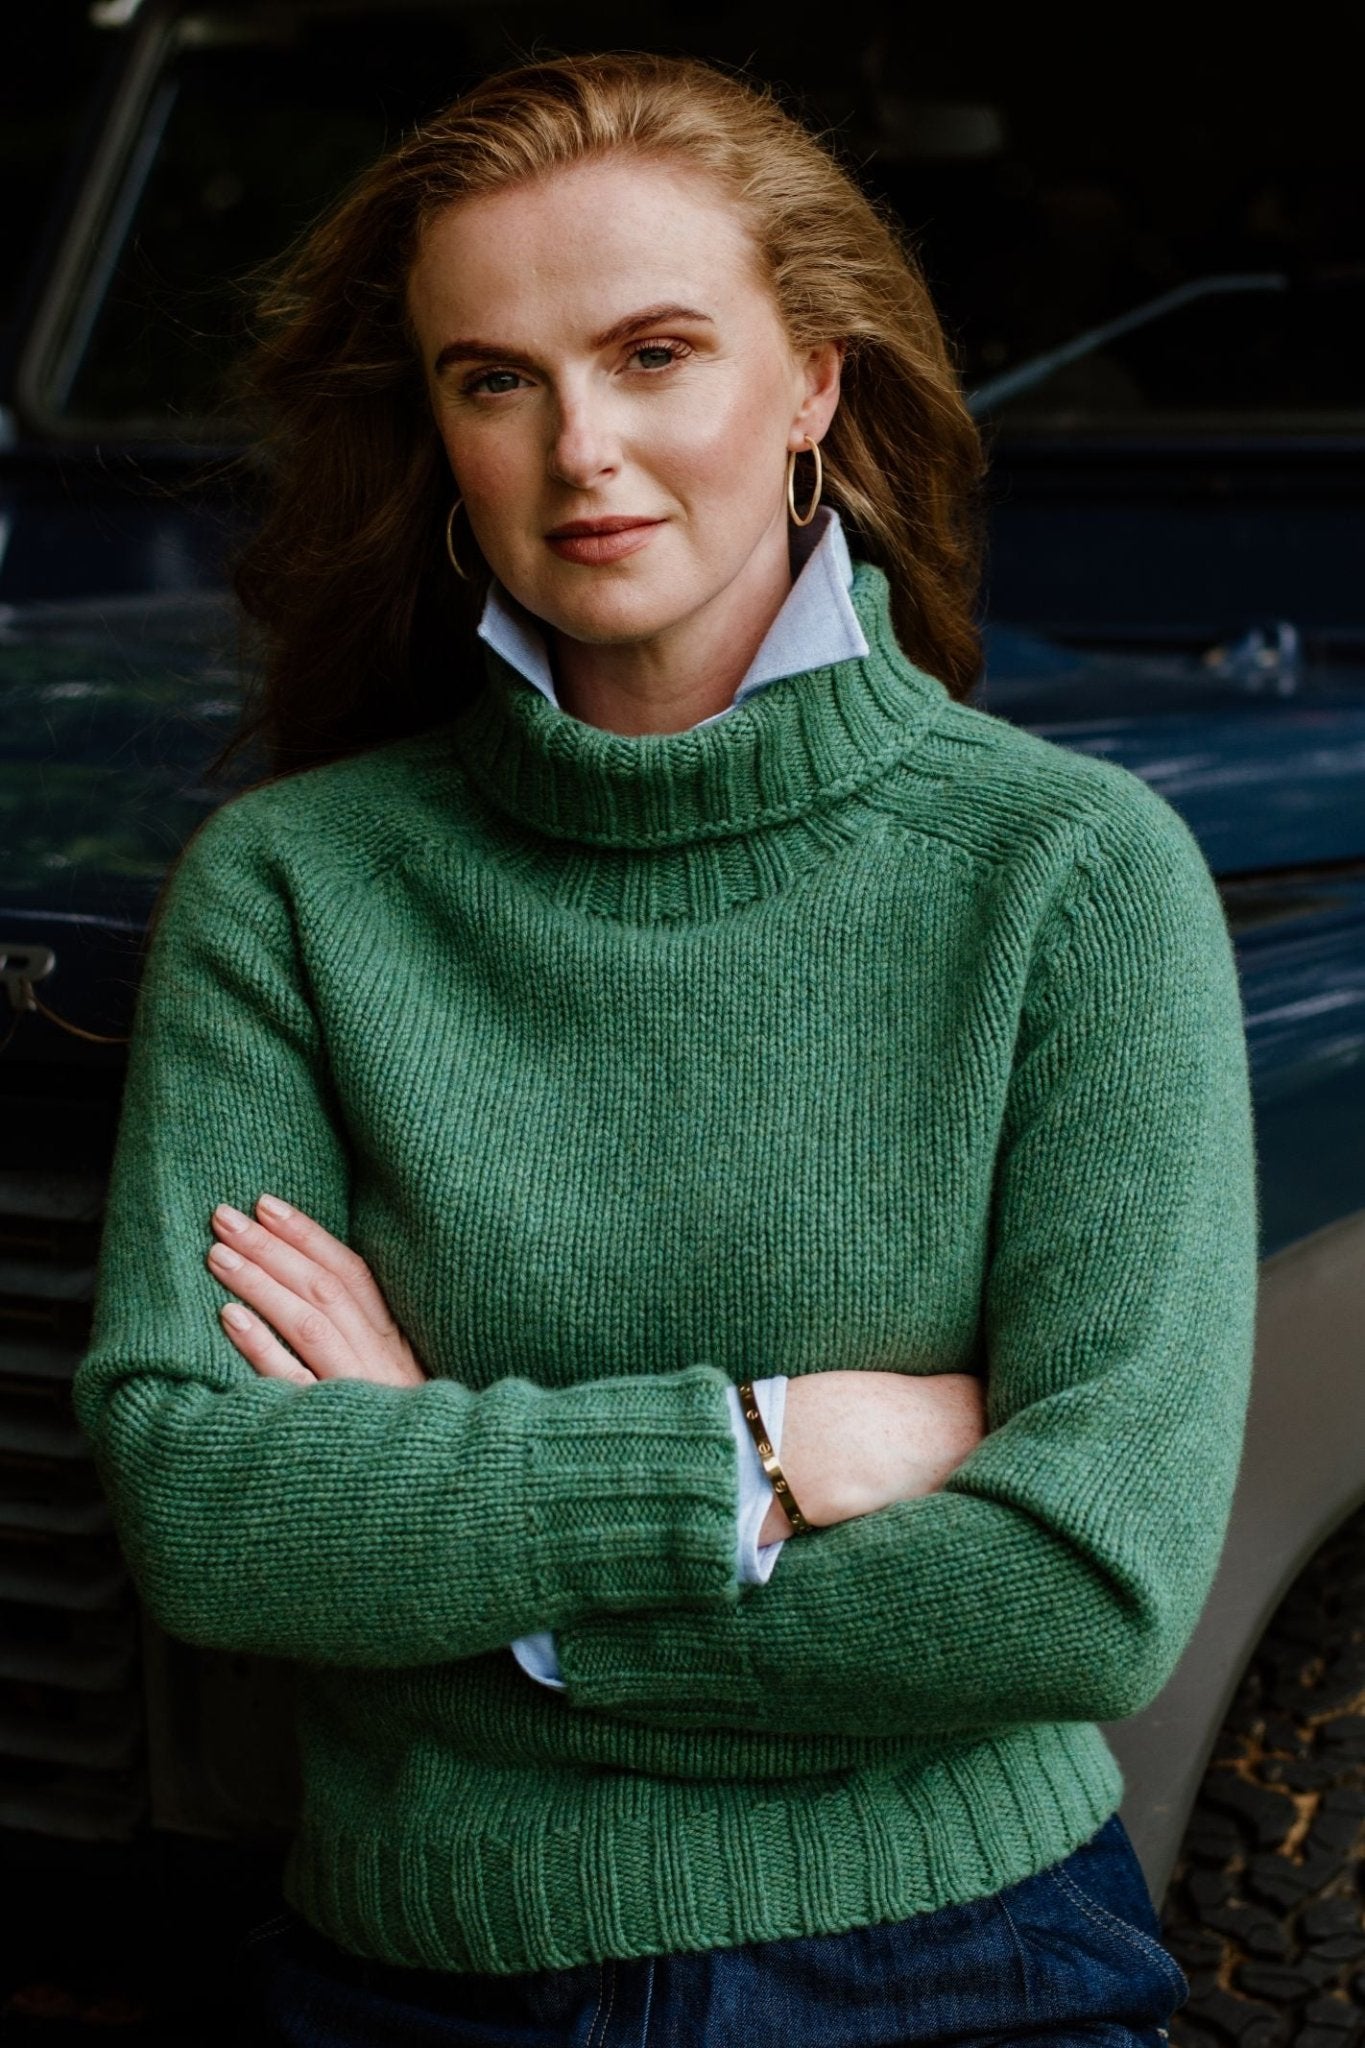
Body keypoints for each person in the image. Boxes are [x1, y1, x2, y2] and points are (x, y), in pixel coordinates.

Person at [73, 49, 1258, 2048]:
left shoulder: (1066, 880)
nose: (579, 452)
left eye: (652, 353)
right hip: (412, 1977)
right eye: (494, 379)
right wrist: (756, 1450)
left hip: (956, 1968)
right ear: (437, 428)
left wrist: (485, 1579)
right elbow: (209, 1510)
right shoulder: (294, 890)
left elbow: (1076, 1587)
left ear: (808, 382)